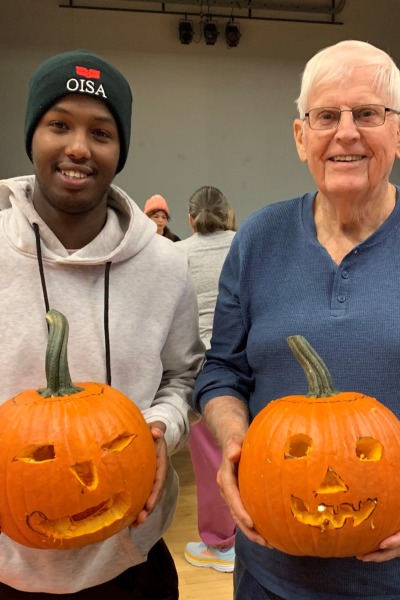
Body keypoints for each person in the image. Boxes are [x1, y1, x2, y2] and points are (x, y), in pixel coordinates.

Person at [193, 39, 400, 600]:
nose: (347, 132)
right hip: (269, 573)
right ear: (301, 136)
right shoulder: (258, 238)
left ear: (398, 133)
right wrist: (236, 442)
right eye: (326, 115)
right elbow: (220, 371)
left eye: (369, 114)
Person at [0, 49, 205, 599]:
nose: (78, 147)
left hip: (132, 555)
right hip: (9, 561)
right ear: (32, 135)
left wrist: (162, 429)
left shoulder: (164, 265)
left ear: (120, 150)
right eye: (58, 124)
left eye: (101, 132)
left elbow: (183, 377)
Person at [176, 186, 236, 573]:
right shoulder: (243, 242)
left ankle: (221, 545)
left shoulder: (177, 253)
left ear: (190, 218)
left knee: (214, 460)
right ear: (229, 213)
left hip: (204, 368)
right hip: (247, 361)